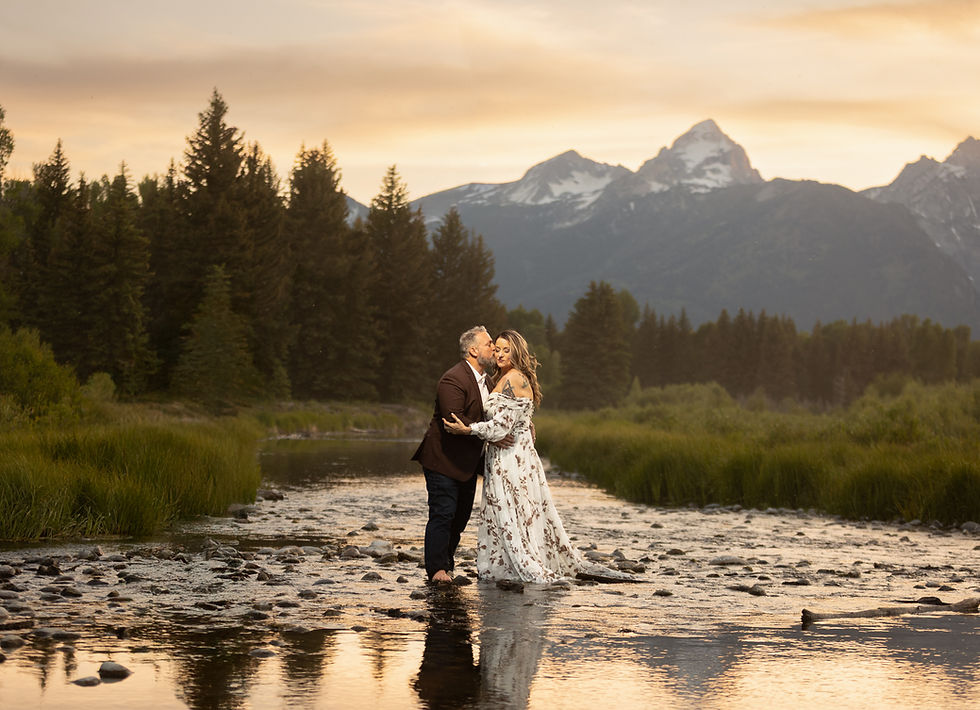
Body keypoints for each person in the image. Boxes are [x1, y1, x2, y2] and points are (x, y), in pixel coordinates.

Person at [444, 329, 632, 583]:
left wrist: (468, 429)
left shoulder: (515, 379)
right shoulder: (500, 378)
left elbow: (501, 427)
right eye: (496, 348)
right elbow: (510, 415)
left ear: (517, 352)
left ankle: (520, 563)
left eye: (505, 350)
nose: (499, 354)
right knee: (506, 511)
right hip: (502, 456)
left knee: (513, 511)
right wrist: (525, 421)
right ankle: (502, 565)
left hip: (512, 458)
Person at [412, 325, 497, 584]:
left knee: (460, 519)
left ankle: (447, 565)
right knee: (443, 513)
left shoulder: (489, 381)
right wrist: (490, 432)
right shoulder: (453, 379)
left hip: (468, 463)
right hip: (442, 459)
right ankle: (437, 570)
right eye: (489, 344)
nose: (493, 348)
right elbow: (453, 421)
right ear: (473, 350)